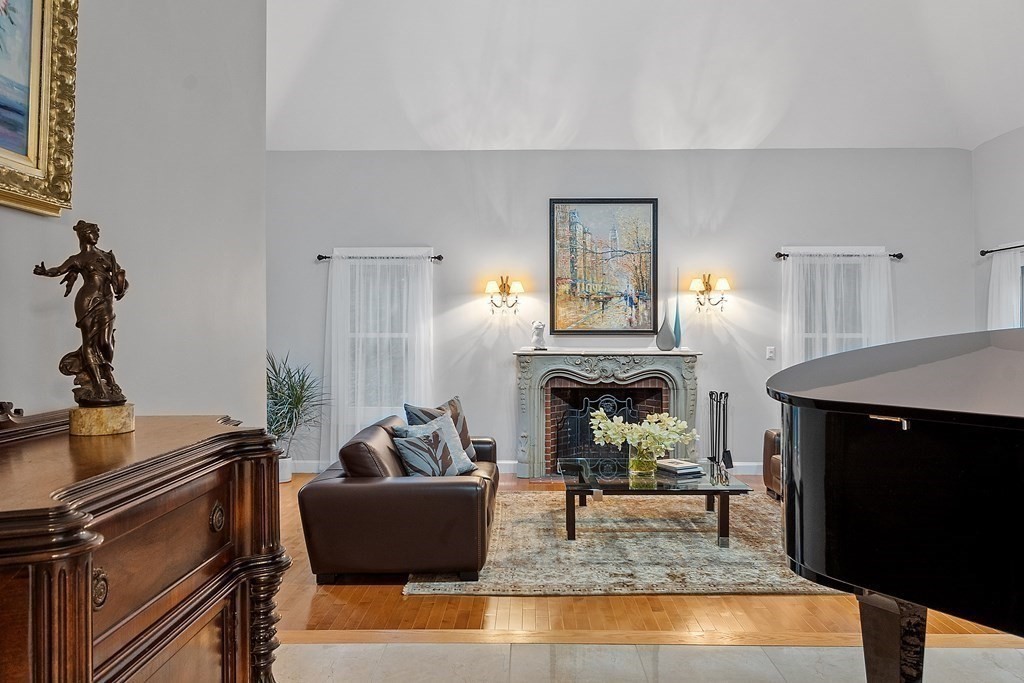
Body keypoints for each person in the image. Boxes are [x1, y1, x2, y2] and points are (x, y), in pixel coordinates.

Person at [34, 221, 129, 406]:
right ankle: (100, 383)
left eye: (97, 232)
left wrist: (123, 288)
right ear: (85, 235)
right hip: (86, 302)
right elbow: (59, 270)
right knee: (89, 341)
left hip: (106, 301)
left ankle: (106, 373)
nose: (97, 234)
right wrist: (45, 272)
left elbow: (122, 280)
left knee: (105, 342)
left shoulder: (108, 256)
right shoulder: (78, 258)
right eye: (94, 231)